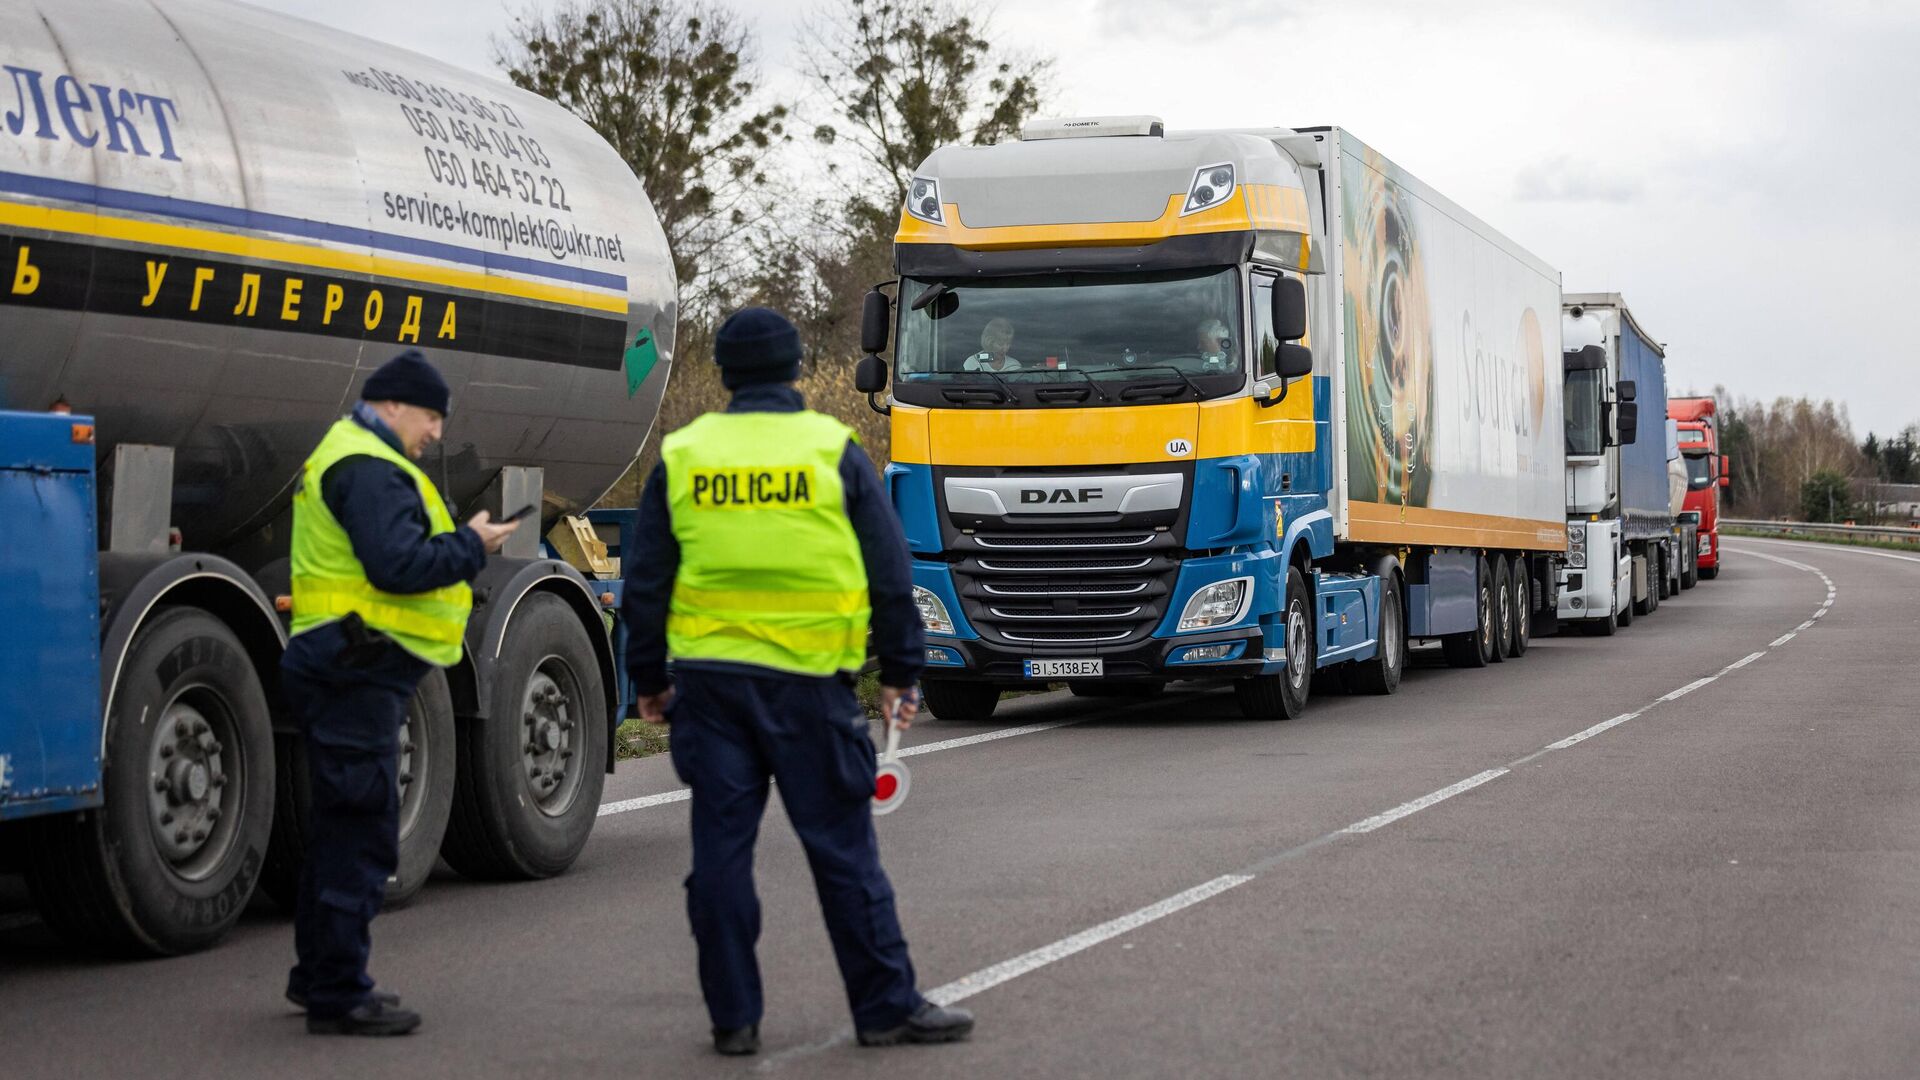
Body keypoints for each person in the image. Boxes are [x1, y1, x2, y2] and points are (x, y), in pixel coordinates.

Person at [622, 308, 975, 1056]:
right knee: (843, 854)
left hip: (711, 691)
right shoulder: (831, 449)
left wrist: (647, 679)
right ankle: (884, 1007)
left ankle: (734, 1021)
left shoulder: (685, 455)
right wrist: (902, 673)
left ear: (725, 374)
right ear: (791, 371)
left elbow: (646, 580)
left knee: (719, 855)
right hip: (809, 687)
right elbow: (890, 570)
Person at [281, 349, 520, 1036]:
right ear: (392, 405)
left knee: (341, 826)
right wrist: (472, 544)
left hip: (345, 660)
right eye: (430, 416)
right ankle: (337, 993)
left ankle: (319, 973)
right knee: (361, 829)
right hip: (353, 664)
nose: (437, 433)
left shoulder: (352, 455)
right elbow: (399, 567)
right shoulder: (370, 466)